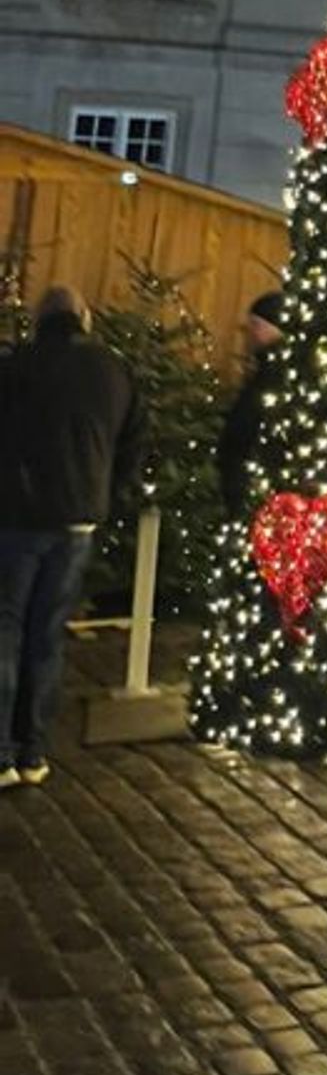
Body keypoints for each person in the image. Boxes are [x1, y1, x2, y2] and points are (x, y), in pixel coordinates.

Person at [0, 286, 148, 788]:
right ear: (83, 317)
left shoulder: (16, 366)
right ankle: (34, 749)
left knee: (6, 630)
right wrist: (108, 495)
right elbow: (132, 444)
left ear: (40, 319)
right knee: (46, 635)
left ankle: (1, 752)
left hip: (17, 518)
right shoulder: (113, 370)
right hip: (80, 519)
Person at [217, 287, 284, 518]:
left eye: (256, 325)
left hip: (254, 491)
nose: (250, 334)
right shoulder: (265, 373)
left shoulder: (272, 379)